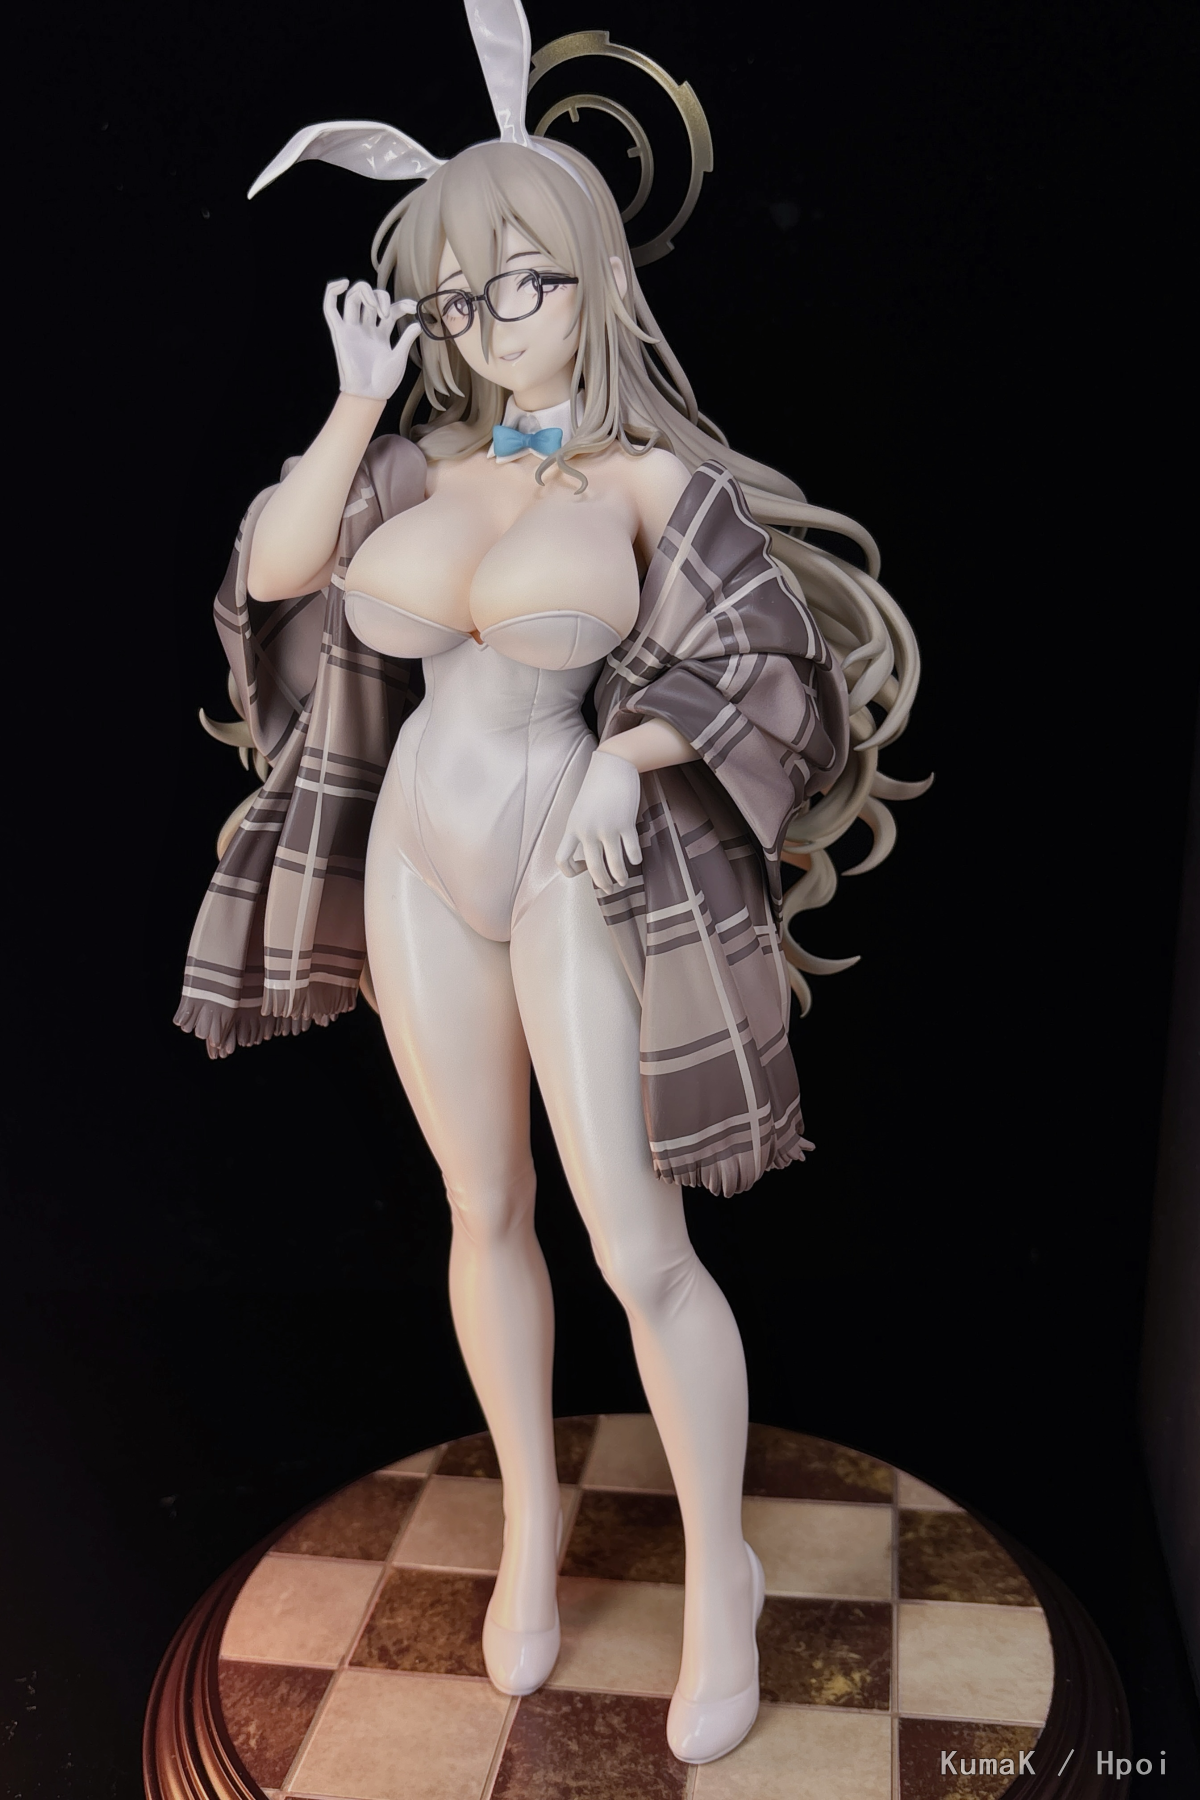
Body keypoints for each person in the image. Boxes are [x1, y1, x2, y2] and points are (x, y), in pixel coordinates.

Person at [176, 10, 921, 1768]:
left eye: (520, 281)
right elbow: (275, 573)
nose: (489, 319)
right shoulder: (417, 461)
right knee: (483, 1210)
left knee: (638, 1246)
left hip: (570, 861)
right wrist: (359, 400)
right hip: (421, 858)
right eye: (458, 296)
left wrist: (625, 757)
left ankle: (723, 1575)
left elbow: (777, 676)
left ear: (592, 276)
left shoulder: (651, 481)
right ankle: (529, 1533)